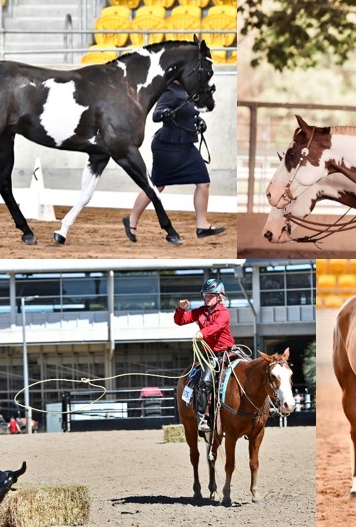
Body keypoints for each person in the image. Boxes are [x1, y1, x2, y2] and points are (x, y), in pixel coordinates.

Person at [125, 79, 222, 244]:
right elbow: (157, 114)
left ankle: (202, 225)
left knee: (203, 182)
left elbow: (188, 113)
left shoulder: (185, 90)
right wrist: (165, 114)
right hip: (167, 147)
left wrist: (197, 121)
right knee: (157, 186)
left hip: (186, 146)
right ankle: (132, 220)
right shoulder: (169, 91)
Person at [174, 278, 235, 433]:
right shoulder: (200, 311)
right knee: (204, 381)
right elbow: (180, 321)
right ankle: (203, 417)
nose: (207, 297)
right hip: (210, 355)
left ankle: (265, 409)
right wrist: (180, 309)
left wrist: (202, 332)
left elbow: (217, 327)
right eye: (205, 295)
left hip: (227, 352)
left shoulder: (223, 313)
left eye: (211, 295)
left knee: (253, 370)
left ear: (219, 296)